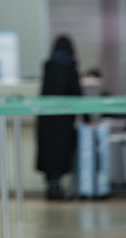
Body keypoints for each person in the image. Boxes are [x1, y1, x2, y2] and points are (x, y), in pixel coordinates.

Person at [36, 35, 82, 200]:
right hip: (63, 119)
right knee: (61, 153)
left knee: (49, 154)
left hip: (47, 118)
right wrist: (88, 117)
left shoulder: (48, 65)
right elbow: (77, 93)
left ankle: (52, 187)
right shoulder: (71, 66)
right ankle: (58, 188)